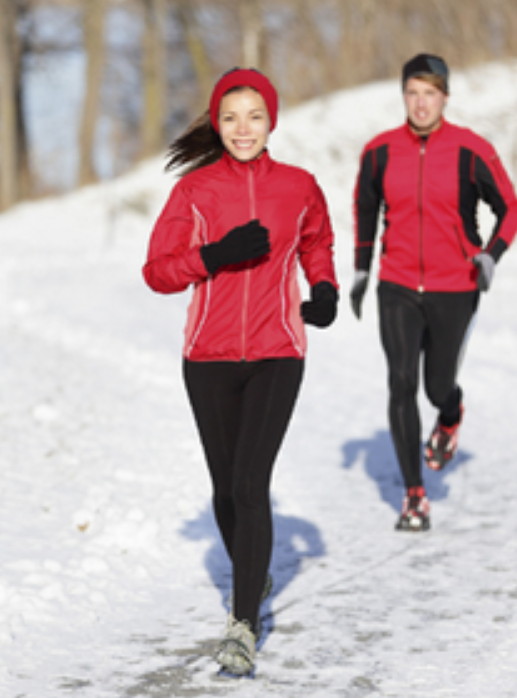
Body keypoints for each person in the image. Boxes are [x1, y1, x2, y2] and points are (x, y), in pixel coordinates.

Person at [143, 68, 338, 676]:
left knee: (252, 483)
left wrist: (325, 289)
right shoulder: (195, 192)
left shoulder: (299, 186)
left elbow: (317, 243)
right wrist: (216, 255)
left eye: (254, 116)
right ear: (217, 124)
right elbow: (157, 271)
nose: (242, 128)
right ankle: (256, 572)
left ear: (271, 120)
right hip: (208, 357)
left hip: (279, 351)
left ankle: (243, 623)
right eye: (230, 118)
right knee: (226, 489)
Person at [351, 53, 517, 532]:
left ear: (445, 96)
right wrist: (363, 271)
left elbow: (511, 208)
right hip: (398, 284)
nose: (420, 103)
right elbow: (366, 208)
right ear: (403, 96)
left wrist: (490, 255)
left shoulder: (471, 150)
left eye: (429, 93)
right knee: (401, 382)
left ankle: (449, 413)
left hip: (455, 286)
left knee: (436, 386)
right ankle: (414, 495)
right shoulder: (380, 152)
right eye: (412, 93)